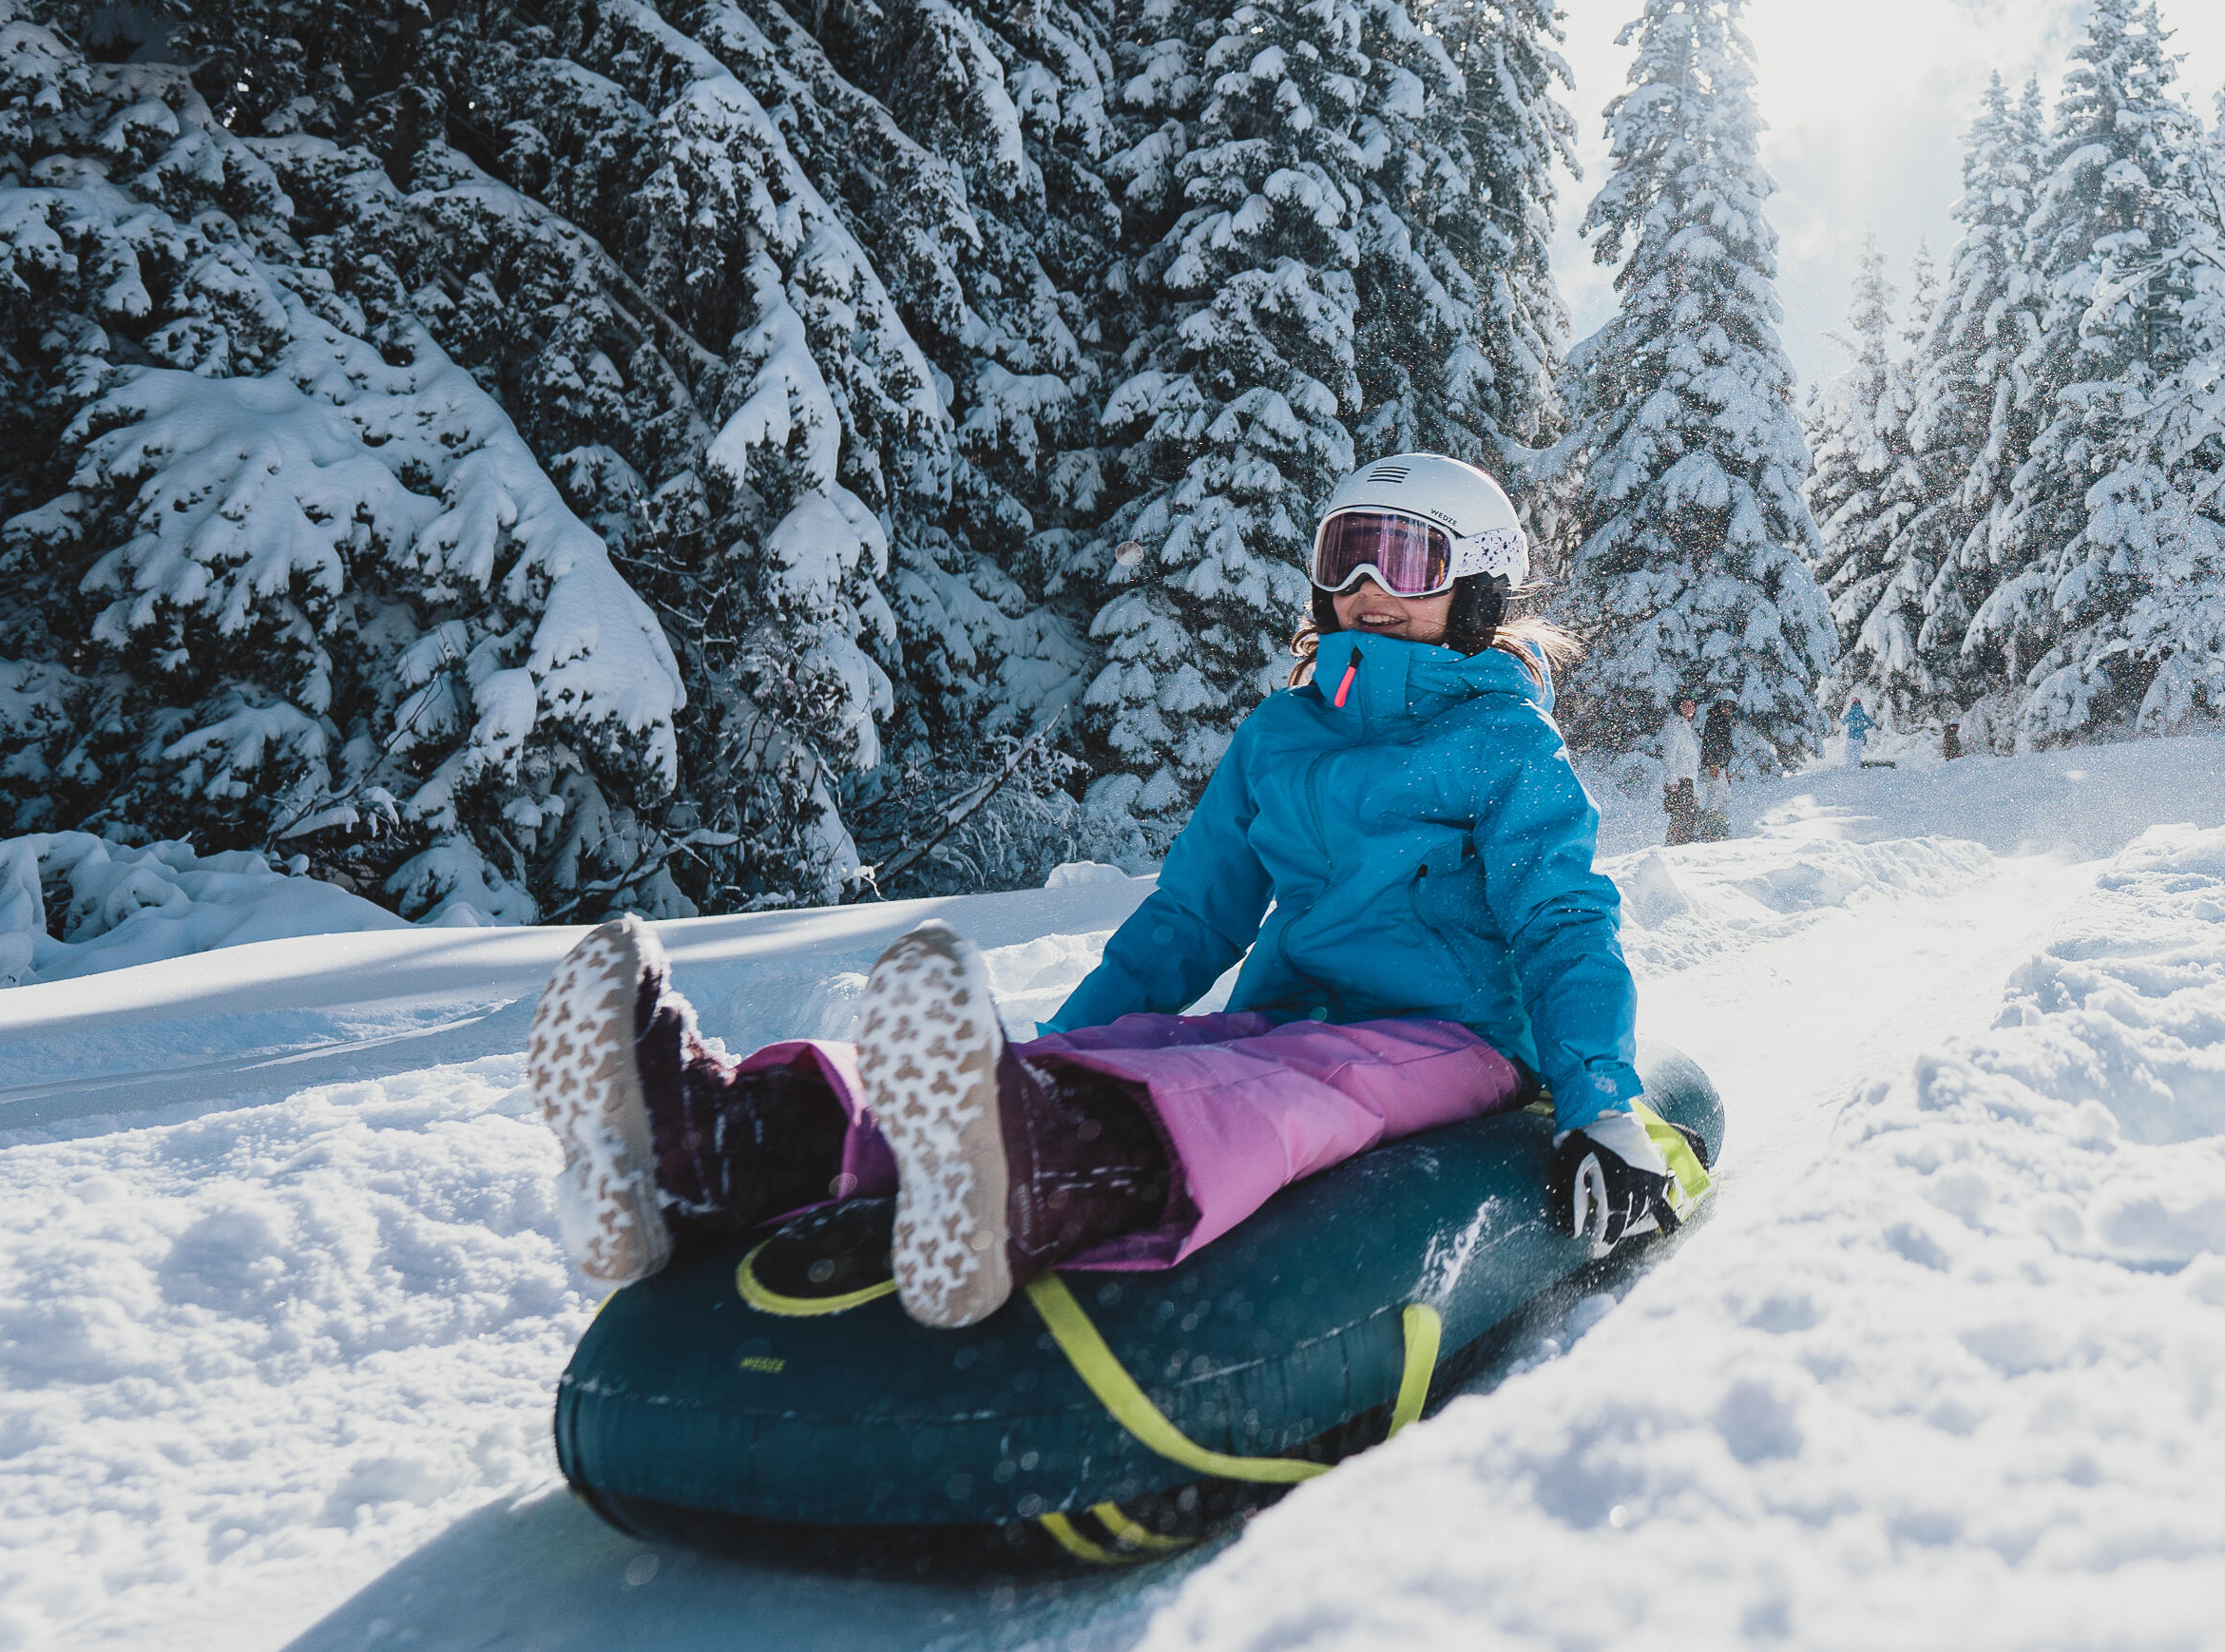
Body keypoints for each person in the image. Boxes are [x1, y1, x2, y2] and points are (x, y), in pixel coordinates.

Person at [517, 453, 1689, 1328]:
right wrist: (1045, 1056)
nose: (1372, 584)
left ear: (1478, 591)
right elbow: (1192, 918)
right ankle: (713, 1146)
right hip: (1291, 1012)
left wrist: (1594, 1095)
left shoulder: (1506, 745)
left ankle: (1033, 1170)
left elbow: (1560, 920)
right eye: (1347, 554)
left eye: (1412, 558)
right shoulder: (1282, 737)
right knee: (1203, 1050)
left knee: (1286, 1084)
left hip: (1456, 1039)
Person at [1658, 693, 1701, 845]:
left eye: (1692, 705)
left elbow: (1691, 762)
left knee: (1689, 816)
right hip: (1678, 781)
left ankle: (1683, 846)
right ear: (1678, 707)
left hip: (1688, 781)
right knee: (1680, 816)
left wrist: (1695, 790)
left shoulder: (1687, 727)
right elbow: (1669, 757)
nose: (1690, 708)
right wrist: (1672, 781)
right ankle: (1673, 846)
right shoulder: (1674, 727)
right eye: (1685, 705)